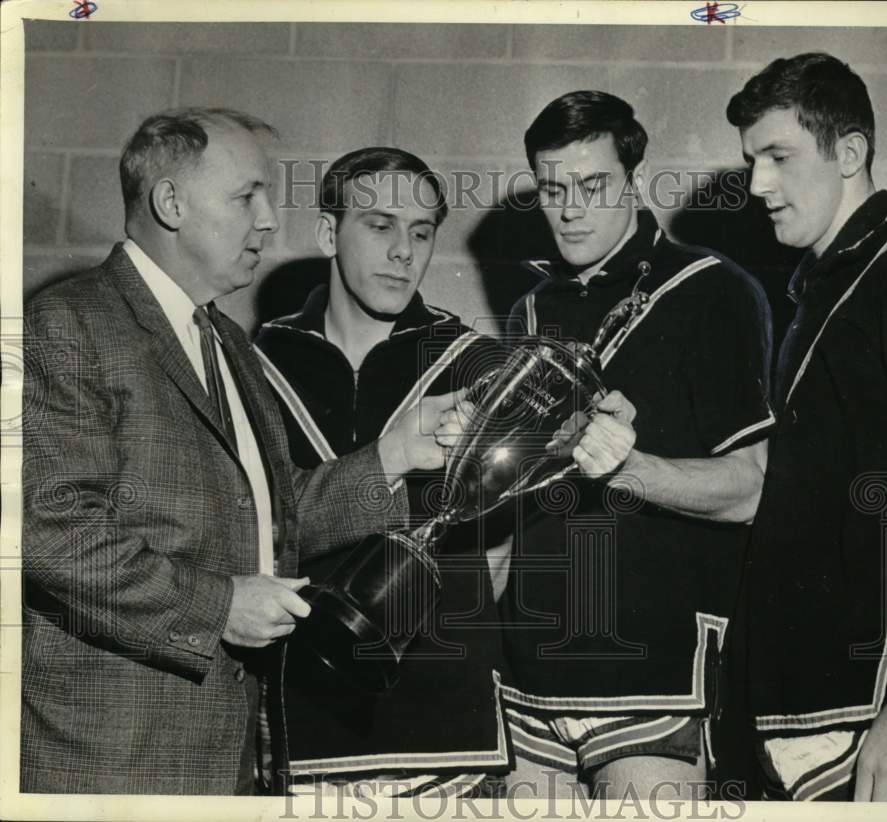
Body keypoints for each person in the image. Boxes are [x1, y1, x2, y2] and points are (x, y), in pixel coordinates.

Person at [20, 109, 458, 795]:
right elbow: (46, 530)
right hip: (113, 754)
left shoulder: (228, 343)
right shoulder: (69, 322)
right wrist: (217, 605)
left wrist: (393, 457)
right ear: (171, 203)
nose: (268, 223)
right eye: (246, 196)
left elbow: (272, 522)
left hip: (227, 752)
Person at [497, 91, 775, 800]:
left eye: (593, 186)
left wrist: (630, 467)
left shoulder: (710, 291)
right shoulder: (530, 311)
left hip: (654, 669)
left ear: (634, 180)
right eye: (553, 189)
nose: (571, 209)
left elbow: (751, 489)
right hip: (530, 669)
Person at [727, 52, 887, 801]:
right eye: (750, 162)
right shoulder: (820, 293)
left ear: (851, 153)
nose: (757, 185)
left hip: (878, 713)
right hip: (808, 710)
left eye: (778, 157)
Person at [254, 147, 513, 798]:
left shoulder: (475, 363)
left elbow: (504, 544)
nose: (404, 250)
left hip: (445, 735)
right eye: (379, 225)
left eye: (421, 232)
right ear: (327, 232)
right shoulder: (257, 359)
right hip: (299, 727)